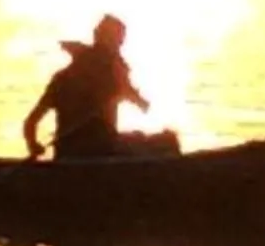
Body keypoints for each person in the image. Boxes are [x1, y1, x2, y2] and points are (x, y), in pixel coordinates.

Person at [23, 15, 176, 161]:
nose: (119, 49)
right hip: (103, 151)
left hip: (67, 153)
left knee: (139, 137)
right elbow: (141, 104)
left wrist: (33, 145)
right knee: (167, 141)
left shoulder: (61, 78)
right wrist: (131, 93)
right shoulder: (112, 76)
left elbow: (30, 123)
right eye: (118, 43)